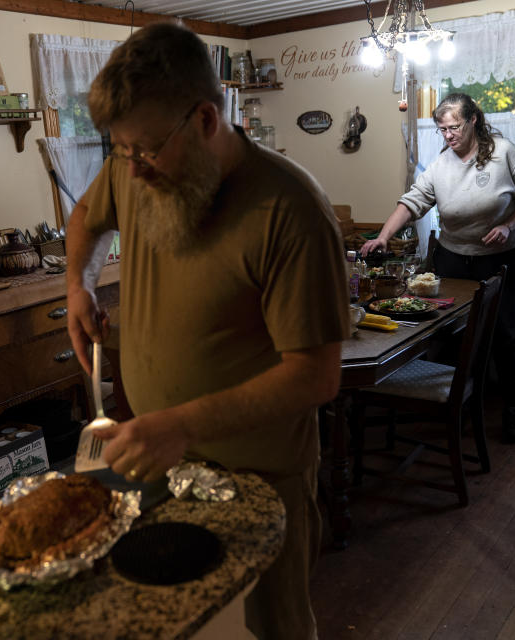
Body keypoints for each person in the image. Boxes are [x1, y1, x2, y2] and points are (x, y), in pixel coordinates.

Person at [65, 22, 351, 640]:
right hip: (158, 463)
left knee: (270, 630)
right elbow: (86, 217)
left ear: (203, 119)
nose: (133, 170)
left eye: (145, 150)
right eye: (120, 151)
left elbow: (316, 376)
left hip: (260, 481)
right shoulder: (134, 168)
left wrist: (182, 424)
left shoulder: (291, 211)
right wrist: (78, 286)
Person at [361, 93, 515, 443]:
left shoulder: (504, 154)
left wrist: (510, 225)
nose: (448, 135)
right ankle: (454, 403)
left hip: (501, 258)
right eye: (442, 129)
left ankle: (512, 409)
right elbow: (412, 202)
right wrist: (384, 236)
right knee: (448, 331)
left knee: (506, 334)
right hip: (453, 258)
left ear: (473, 120)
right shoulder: (442, 164)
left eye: (454, 127)